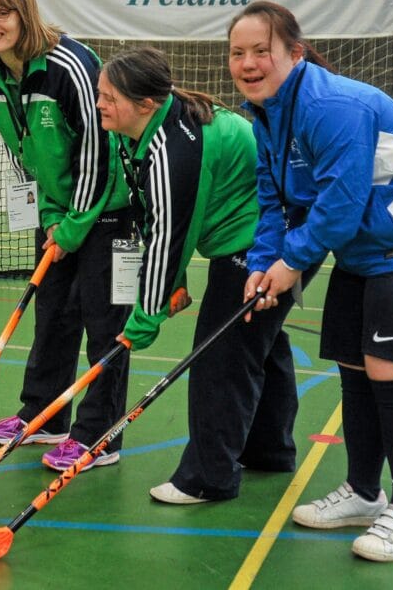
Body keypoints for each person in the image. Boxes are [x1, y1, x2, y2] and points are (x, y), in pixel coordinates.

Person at [231, 0, 393, 562]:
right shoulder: (264, 114)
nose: (248, 62)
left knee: (392, 373)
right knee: (353, 367)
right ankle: (365, 493)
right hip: (363, 254)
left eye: (261, 50)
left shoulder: (331, 105)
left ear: (294, 52)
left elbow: (340, 204)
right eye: (237, 52)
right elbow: (276, 202)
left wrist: (290, 268)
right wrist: (264, 262)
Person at [98, 47, 312, 504]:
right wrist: (170, 285)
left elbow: (169, 236)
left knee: (221, 357)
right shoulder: (136, 132)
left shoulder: (175, 148)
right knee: (259, 341)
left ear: (145, 104)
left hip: (272, 241)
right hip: (255, 233)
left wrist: (145, 316)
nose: (100, 104)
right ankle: (269, 450)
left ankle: (207, 478)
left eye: (108, 97)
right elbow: (148, 207)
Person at [0, 0, 132, 472]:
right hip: (62, 213)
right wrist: (50, 215)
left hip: (112, 212)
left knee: (105, 327)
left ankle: (100, 435)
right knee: (53, 318)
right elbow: (23, 154)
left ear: (24, 12)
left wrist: (75, 222)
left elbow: (100, 151)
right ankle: (45, 416)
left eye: (1, 12)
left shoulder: (68, 64)